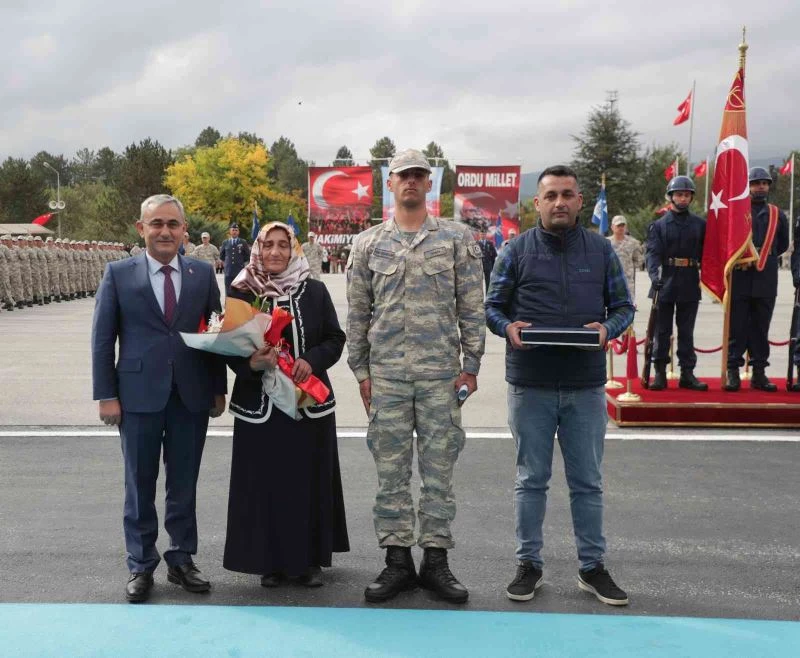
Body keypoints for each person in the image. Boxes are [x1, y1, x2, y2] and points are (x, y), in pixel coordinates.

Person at [485, 165, 634, 606]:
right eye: (551, 195)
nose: (560, 203)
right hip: (530, 385)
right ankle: (528, 565)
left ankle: (592, 567)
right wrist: (509, 327)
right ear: (538, 202)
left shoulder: (601, 251)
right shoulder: (515, 250)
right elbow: (493, 307)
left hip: (585, 385)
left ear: (580, 201)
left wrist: (608, 329)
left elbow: (624, 306)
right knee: (531, 480)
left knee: (587, 482)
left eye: (568, 194)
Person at [346, 148, 485, 604]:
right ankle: (397, 562)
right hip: (386, 377)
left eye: (418, 176)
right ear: (391, 182)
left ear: (430, 184)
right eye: (402, 175)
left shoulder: (457, 239)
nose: (410, 182)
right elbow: (358, 314)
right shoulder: (367, 243)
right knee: (390, 472)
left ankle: (437, 561)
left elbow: (472, 306)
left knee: (439, 470)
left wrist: (471, 365)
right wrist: (362, 371)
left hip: (441, 377)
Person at [91, 194, 227, 603]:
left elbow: (214, 334)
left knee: (184, 483)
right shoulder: (118, 273)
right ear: (141, 229)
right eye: (157, 224)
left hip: (191, 396)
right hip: (135, 397)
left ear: (184, 230)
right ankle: (140, 564)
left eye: (172, 224)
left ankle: (182, 559)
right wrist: (105, 395)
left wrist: (218, 388)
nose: (165, 231)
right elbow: (102, 340)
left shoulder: (202, 274)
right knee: (139, 482)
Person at [223, 221, 349, 587]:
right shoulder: (242, 292)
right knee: (265, 483)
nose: (275, 252)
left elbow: (335, 338)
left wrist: (312, 359)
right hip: (259, 408)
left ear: (294, 250)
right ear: (257, 249)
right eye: (268, 245)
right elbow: (228, 349)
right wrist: (251, 363)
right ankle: (269, 562)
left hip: (306, 402)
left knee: (304, 481)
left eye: (283, 245)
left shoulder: (314, 291)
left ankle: (306, 561)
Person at [724, 168, 790, 392]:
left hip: (765, 276)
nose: (760, 186)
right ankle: (732, 371)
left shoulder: (777, 214)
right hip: (741, 274)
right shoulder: (737, 211)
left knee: (761, 327)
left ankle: (759, 372)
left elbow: (781, 245)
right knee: (737, 325)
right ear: (748, 186)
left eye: (764, 183)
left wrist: (763, 255)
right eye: (755, 183)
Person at [645, 176, 707, 391]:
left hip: (689, 280)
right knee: (662, 332)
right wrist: (654, 276)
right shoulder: (659, 225)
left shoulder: (700, 224)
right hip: (665, 281)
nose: (683, 198)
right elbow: (652, 255)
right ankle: (660, 373)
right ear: (670, 197)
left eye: (686, 194)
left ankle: (687, 374)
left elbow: (707, 254)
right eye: (679, 194)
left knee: (687, 331)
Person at [608, 215, 644, 300]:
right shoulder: (606, 243)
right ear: (612, 227)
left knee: (627, 308)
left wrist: (628, 266)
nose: (620, 228)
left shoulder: (633, 243)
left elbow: (639, 261)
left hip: (627, 282)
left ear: (626, 227)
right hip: (611, 281)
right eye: (618, 225)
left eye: (622, 225)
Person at [219, 222, 251, 293]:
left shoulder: (243, 242)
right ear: (230, 231)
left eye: (236, 230)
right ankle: (228, 304)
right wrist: (227, 263)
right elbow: (222, 255)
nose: (234, 232)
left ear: (238, 232)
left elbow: (247, 255)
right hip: (228, 271)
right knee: (228, 289)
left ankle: (238, 304)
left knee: (239, 290)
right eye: (233, 230)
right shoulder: (225, 242)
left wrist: (241, 262)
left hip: (239, 270)